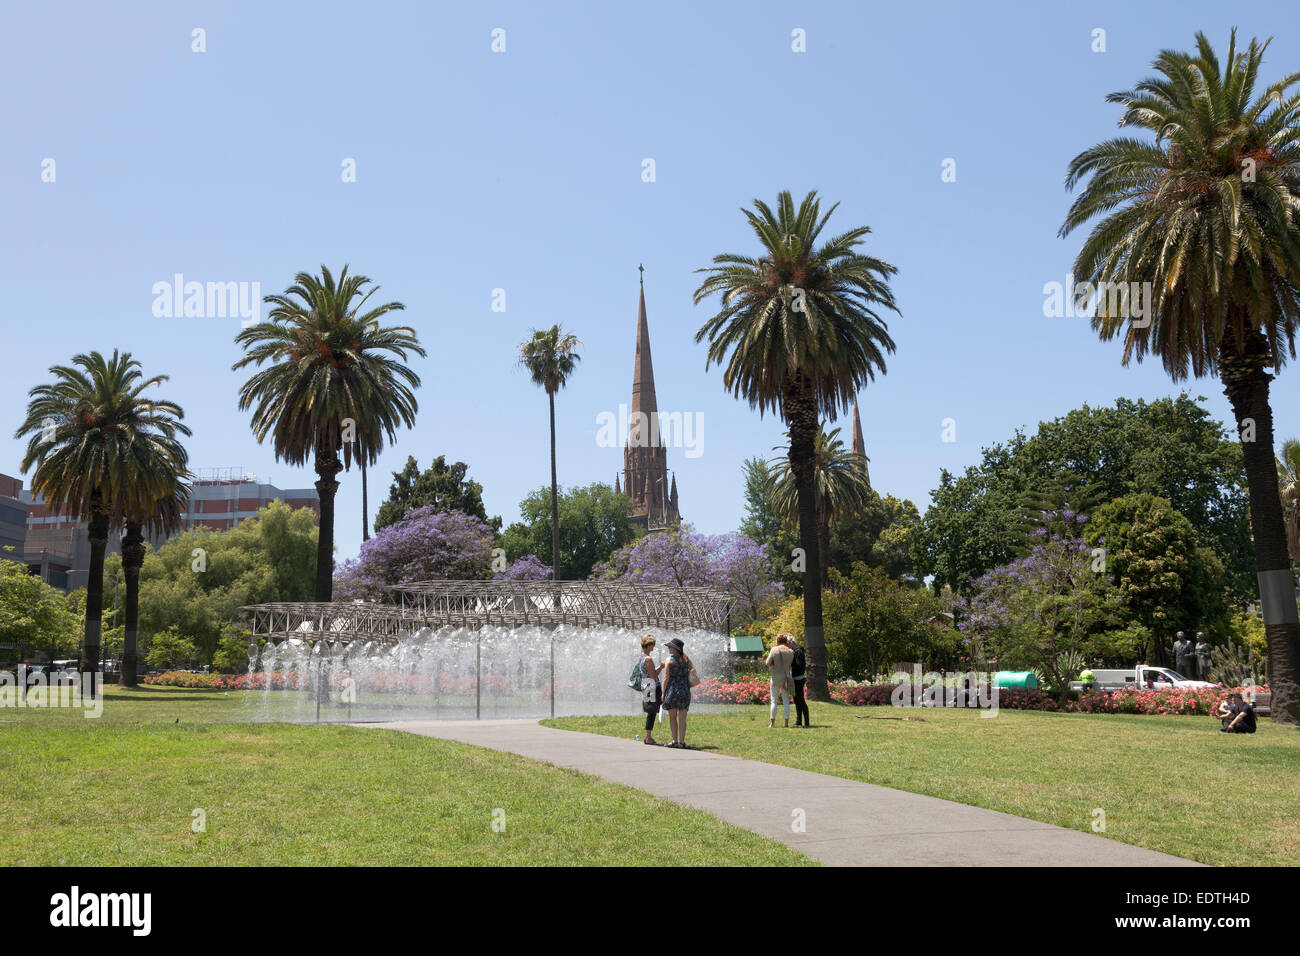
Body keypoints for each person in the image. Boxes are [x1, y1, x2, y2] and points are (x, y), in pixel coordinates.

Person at [661, 638, 694, 748]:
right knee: (683, 718)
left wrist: (663, 693)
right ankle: (682, 742)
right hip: (684, 690)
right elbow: (693, 672)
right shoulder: (686, 659)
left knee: (672, 717)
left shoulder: (669, 660)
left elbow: (666, 678)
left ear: (675, 649)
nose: (668, 648)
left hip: (672, 690)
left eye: (670, 647)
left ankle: (675, 741)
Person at [637, 634, 663, 745]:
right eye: (653, 644)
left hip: (645, 685)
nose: (654, 647)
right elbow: (653, 675)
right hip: (651, 685)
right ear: (648, 645)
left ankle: (648, 736)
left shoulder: (641, 657)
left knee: (651, 711)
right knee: (652, 711)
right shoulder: (648, 659)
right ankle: (648, 737)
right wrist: (661, 667)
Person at [765, 635, 796, 729]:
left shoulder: (774, 649)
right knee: (786, 701)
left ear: (778, 641)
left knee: (774, 701)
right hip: (786, 678)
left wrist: (773, 664)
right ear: (786, 641)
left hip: (775, 677)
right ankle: (786, 723)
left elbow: (767, 662)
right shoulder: (791, 651)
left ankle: (772, 724)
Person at [787, 635, 810, 727]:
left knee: (801, 700)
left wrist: (790, 663)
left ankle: (807, 722)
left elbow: (799, 665)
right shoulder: (795, 650)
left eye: (787, 644)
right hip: (796, 678)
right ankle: (799, 720)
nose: (787, 646)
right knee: (796, 700)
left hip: (799, 678)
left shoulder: (798, 651)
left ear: (790, 642)